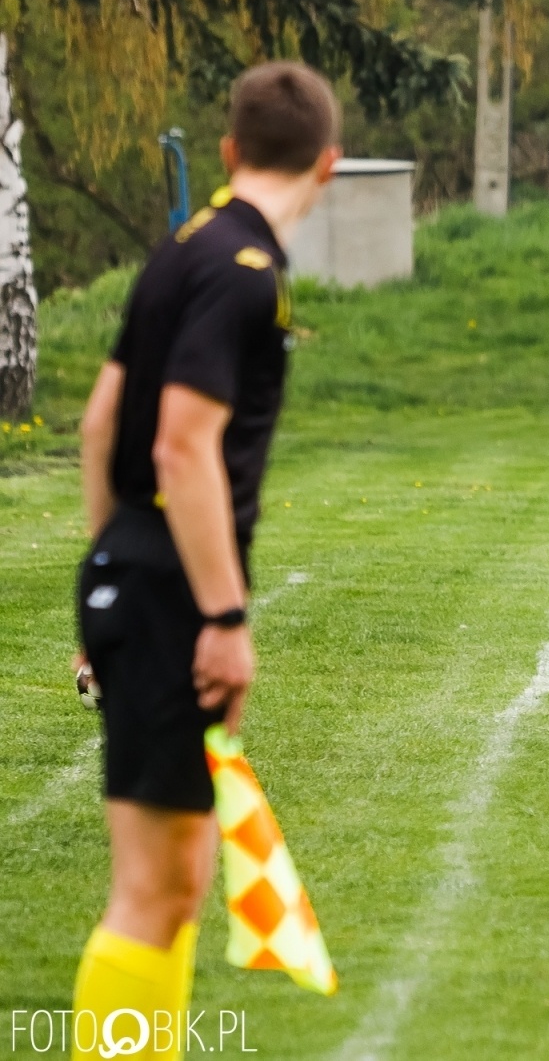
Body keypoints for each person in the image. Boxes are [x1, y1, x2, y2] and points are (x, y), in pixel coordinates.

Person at [70, 62, 339, 1059]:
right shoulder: (245, 275)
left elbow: (102, 425)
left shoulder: (181, 248)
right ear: (329, 164)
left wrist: (110, 570)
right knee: (152, 889)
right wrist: (221, 617)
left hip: (133, 572)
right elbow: (180, 444)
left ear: (228, 152)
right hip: (172, 588)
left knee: (173, 882)